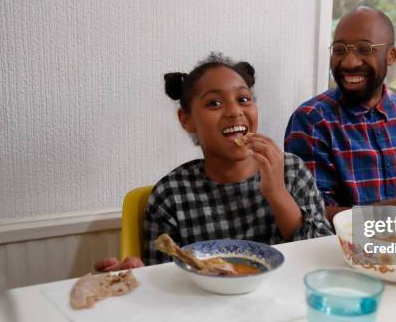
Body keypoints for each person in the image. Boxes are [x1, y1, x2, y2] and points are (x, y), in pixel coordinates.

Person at [142, 53, 332, 265]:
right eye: (214, 103)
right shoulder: (171, 195)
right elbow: (159, 279)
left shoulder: (292, 171)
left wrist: (277, 192)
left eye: (243, 99)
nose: (234, 111)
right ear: (186, 120)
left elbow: (318, 257)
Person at [284, 7, 396, 221]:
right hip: (343, 254)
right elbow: (312, 216)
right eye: (340, 50)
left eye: (364, 49)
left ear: (391, 56)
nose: (349, 62)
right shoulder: (312, 121)